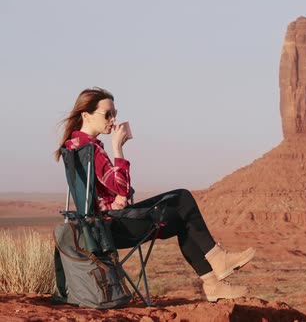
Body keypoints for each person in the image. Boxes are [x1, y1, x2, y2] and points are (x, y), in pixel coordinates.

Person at [55, 87, 255, 301]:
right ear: (86, 115)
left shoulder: (73, 146)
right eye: (107, 114)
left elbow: (96, 193)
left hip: (95, 227)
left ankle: (214, 280)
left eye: (115, 113)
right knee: (182, 201)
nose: (113, 120)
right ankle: (216, 266)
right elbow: (120, 186)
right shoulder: (90, 149)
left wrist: (113, 201)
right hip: (110, 229)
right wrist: (118, 148)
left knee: (181, 210)